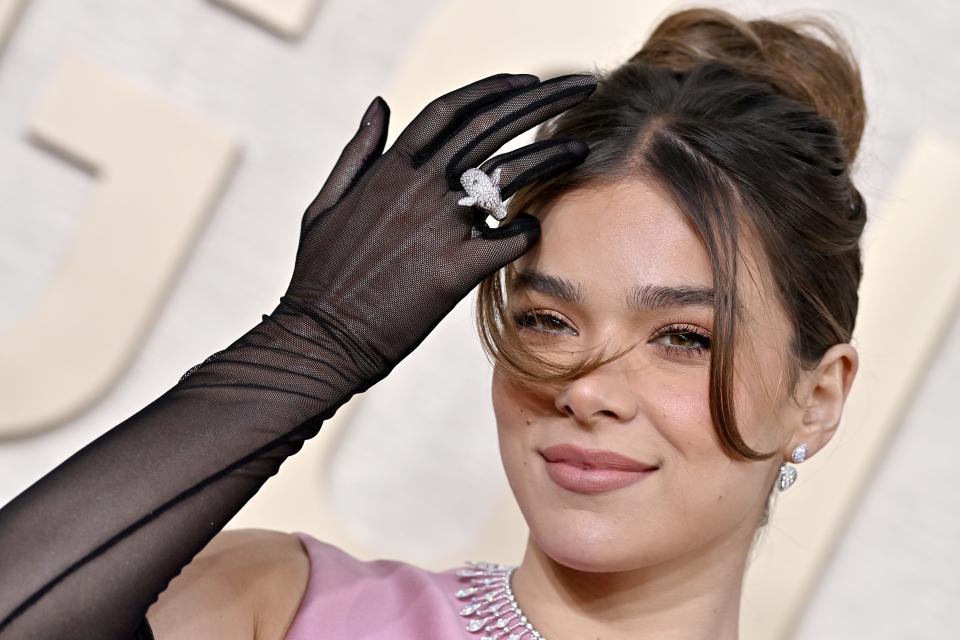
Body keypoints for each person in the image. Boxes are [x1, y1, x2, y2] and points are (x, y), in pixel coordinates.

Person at [0, 5, 867, 640]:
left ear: (818, 399)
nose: (590, 391)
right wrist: (313, 344)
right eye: (549, 320)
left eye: (684, 338)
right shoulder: (279, 604)